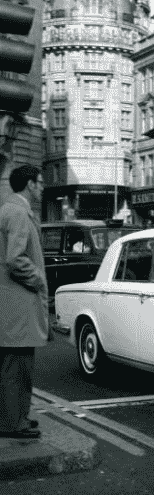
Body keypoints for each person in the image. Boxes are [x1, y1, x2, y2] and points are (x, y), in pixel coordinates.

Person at [0, 165, 50, 439]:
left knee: (11, 366)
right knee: (17, 368)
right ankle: (13, 423)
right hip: (18, 305)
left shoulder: (9, 209)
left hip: (10, 304)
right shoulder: (18, 212)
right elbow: (15, 259)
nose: (42, 187)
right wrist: (39, 279)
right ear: (30, 184)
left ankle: (15, 417)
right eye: (40, 182)